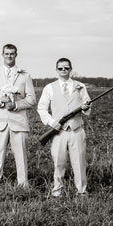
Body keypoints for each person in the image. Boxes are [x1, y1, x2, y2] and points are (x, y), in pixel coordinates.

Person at [0, 44, 36, 188]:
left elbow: (31, 99)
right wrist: (1, 102)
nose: (9, 56)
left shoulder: (25, 75)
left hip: (18, 121)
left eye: (12, 53)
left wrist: (16, 105)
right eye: (6, 53)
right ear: (2, 54)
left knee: (21, 156)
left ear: (16, 55)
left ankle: (23, 186)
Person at [37, 58, 91, 197]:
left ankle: (81, 191)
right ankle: (57, 191)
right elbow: (41, 108)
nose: (63, 70)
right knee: (58, 163)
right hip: (58, 131)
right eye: (60, 68)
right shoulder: (49, 87)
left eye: (66, 68)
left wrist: (86, 107)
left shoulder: (80, 86)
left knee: (79, 162)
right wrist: (51, 122)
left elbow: (88, 108)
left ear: (71, 69)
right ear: (56, 70)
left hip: (77, 130)